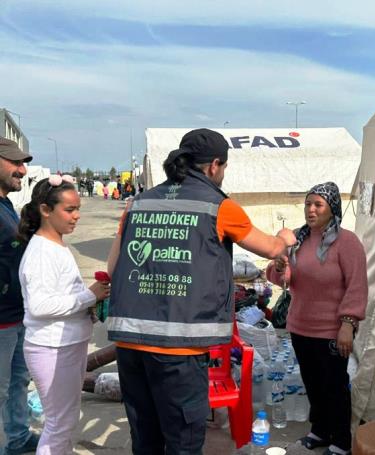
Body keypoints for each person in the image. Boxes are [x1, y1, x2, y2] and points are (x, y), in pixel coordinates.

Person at [106, 128, 297, 454]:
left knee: (145, 440)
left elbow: (113, 270)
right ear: (214, 166)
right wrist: (286, 238)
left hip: (130, 345)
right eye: (224, 168)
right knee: (183, 441)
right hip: (179, 351)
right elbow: (269, 247)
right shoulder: (219, 207)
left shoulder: (137, 203)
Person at [266, 182, 368, 455]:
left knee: (334, 385)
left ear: (332, 208)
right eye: (308, 204)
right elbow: (284, 279)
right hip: (301, 326)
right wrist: (279, 266)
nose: (311, 210)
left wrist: (348, 323)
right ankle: (320, 430)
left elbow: (357, 285)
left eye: (318, 204)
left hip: (332, 330)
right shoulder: (299, 239)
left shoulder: (347, 243)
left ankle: (341, 441)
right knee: (312, 382)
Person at [17, 175, 111, 454]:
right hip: (52, 347)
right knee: (59, 425)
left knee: (65, 422)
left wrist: (87, 309)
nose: (77, 216)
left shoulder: (56, 244)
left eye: (78, 209)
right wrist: (88, 297)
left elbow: (60, 295)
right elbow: (40, 306)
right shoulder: (41, 252)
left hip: (65, 344)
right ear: (46, 210)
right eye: (69, 210)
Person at [0, 138, 40, 455]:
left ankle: (18, 438)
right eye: (15, 162)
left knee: (17, 383)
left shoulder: (6, 206)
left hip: (16, 316)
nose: (22, 170)